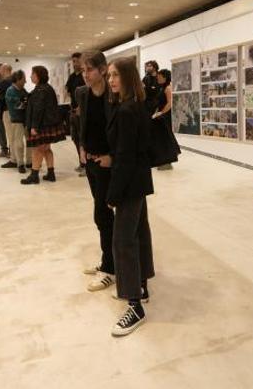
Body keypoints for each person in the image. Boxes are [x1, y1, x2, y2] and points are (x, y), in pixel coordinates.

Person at [106, 57, 155, 337]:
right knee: (139, 234)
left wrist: (113, 194)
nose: (112, 80)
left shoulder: (126, 110)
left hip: (127, 185)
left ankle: (134, 305)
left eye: (116, 76)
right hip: (140, 182)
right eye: (110, 75)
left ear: (127, 77)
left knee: (123, 241)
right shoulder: (137, 105)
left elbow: (124, 157)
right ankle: (142, 285)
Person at [75, 51, 116, 292]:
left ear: (102, 69)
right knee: (102, 214)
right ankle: (107, 260)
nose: (85, 75)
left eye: (89, 69)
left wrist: (113, 157)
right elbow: (81, 123)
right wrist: (81, 146)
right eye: (82, 70)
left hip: (109, 164)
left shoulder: (115, 96)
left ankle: (110, 268)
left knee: (102, 213)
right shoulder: (82, 94)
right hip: (90, 162)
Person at [22, 66, 67, 184]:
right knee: (46, 149)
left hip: (42, 125)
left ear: (38, 76)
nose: (30, 76)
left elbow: (38, 109)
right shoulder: (47, 88)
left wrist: (34, 127)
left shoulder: (40, 90)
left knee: (38, 149)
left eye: (32, 74)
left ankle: (34, 175)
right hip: (49, 124)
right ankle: (51, 173)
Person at [149, 69, 180, 170]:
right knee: (160, 139)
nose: (158, 77)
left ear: (165, 77)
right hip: (160, 116)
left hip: (164, 116)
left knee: (165, 138)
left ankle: (167, 160)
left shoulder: (167, 88)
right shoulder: (162, 88)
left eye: (160, 76)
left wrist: (161, 113)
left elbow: (169, 103)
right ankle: (162, 160)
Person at [3, 70, 32, 174]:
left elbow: (26, 100)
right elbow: (18, 105)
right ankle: (20, 164)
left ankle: (29, 161)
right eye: (24, 79)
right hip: (17, 120)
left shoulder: (22, 90)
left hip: (26, 120)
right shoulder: (10, 91)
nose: (25, 81)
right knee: (19, 143)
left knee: (29, 141)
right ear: (18, 79)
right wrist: (25, 102)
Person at [65, 52, 87, 176]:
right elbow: (67, 89)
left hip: (82, 112)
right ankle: (81, 162)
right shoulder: (72, 76)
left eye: (76, 61)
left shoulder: (84, 76)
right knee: (75, 138)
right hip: (73, 111)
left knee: (82, 138)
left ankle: (86, 165)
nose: (74, 64)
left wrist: (81, 107)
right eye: (73, 61)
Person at [0, 64, 14, 161]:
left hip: (7, 111)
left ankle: (13, 157)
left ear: (5, 70)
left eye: (0, 70)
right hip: (15, 111)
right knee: (13, 134)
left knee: (10, 134)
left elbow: (1, 99)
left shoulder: (4, 82)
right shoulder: (15, 80)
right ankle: (13, 154)